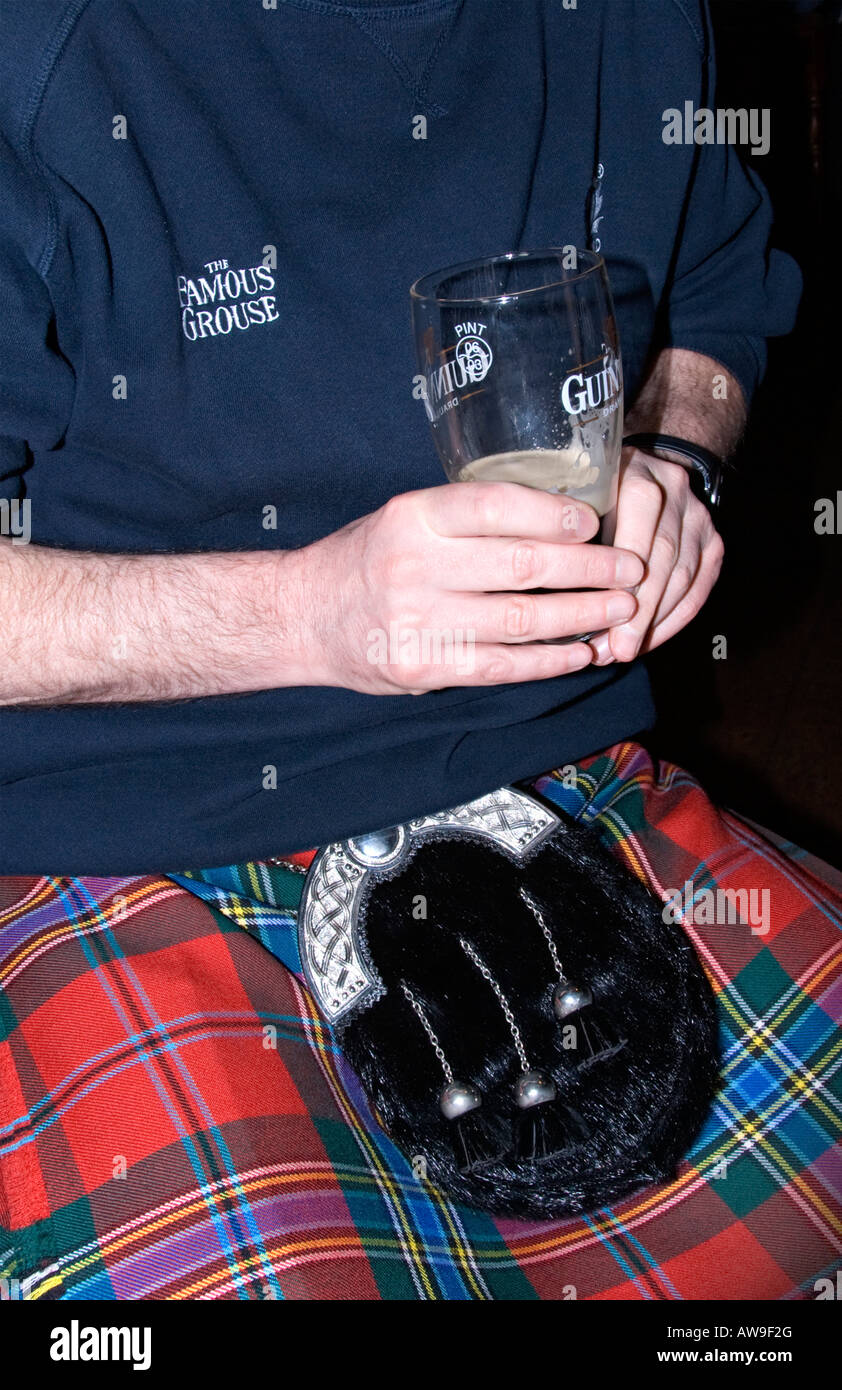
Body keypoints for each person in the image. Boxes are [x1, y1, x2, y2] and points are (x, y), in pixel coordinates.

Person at [0, 0, 838, 1301]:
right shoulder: (45, 49)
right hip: (124, 823)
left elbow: (716, 305)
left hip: (563, 771)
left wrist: (676, 459)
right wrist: (304, 613)